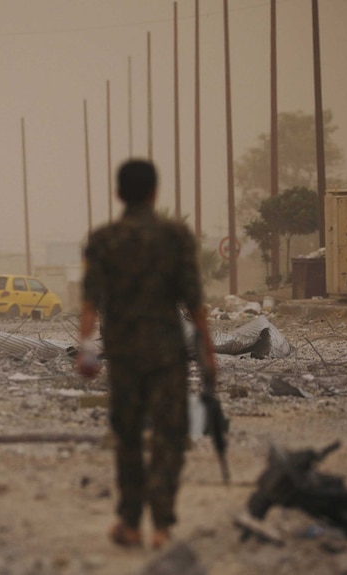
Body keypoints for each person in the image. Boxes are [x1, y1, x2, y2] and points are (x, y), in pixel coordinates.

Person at [76, 159, 216, 550]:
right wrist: (208, 352)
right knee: (169, 435)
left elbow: (89, 301)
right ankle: (163, 524)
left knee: (129, 436)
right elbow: (195, 301)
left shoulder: (103, 239)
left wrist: (86, 350)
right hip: (167, 353)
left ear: (119, 193)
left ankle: (131, 522)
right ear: (155, 192)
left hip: (122, 354)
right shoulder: (176, 236)